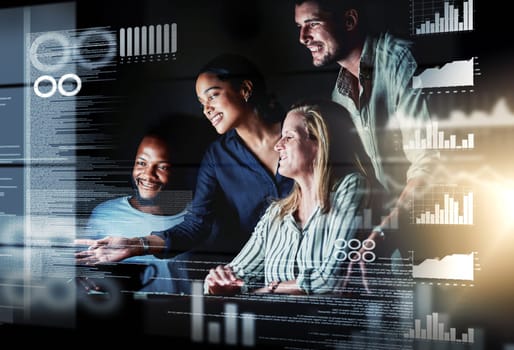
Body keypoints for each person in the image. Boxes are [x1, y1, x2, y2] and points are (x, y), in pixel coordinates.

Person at [75, 54, 294, 274]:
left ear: (245, 89)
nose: (206, 109)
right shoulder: (217, 156)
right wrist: (137, 245)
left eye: (213, 96)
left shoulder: (303, 131)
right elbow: (196, 225)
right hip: (260, 275)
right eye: (201, 103)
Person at [293, 0, 439, 257]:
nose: (303, 37)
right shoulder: (339, 94)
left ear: (349, 20)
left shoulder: (402, 61)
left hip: (435, 234)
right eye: (299, 27)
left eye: (312, 23)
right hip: (388, 244)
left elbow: (431, 163)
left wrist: (383, 232)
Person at [205, 101, 382, 295]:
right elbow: (236, 274)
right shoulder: (276, 213)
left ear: (319, 143)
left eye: (288, 137)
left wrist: (269, 289)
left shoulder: (351, 187)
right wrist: (216, 283)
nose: (278, 146)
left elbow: (332, 279)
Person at [79, 127, 192, 294]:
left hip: (178, 318)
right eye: (141, 163)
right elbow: (82, 273)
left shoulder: (198, 220)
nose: (148, 174)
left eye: (162, 167)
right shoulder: (105, 214)